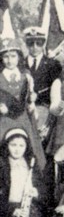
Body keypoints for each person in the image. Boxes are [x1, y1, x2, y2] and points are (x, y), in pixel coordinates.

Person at [0, 128, 51, 217]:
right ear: (6, 145)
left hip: (25, 206)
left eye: (21, 145)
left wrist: (36, 191)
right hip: (6, 208)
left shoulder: (30, 163)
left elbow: (42, 187)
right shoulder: (2, 164)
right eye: (13, 145)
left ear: (26, 147)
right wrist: (12, 210)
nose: (17, 149)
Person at [0, 38, 45, 170]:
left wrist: (32, 101)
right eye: (6, 57)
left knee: (28, 152)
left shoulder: (26, 77)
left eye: (13, 56)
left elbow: (29, 101)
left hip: (23, 120)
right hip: (3, 121)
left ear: (19, 57)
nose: (9, 60)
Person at [22, 27, 62, 130]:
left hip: (45, 112)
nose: (34, 47)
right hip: (23, 112)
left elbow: (56, 89)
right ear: (26, 44)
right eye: (31, 43)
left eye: (39, 43)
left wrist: (38, 96)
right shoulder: (20, 64)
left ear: (44, 44)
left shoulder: (53, 64)